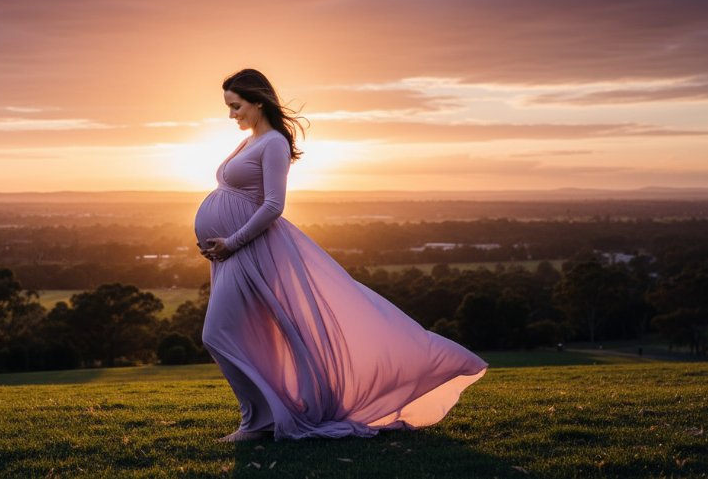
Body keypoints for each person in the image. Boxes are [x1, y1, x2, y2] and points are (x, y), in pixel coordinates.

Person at [194, 68, 488, 442]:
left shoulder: (273, 144)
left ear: (257, 101)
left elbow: (273, 205)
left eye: (235, 106)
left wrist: (232, 241)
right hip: (231, 255)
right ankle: (263, 418)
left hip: (250, 251)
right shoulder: (251, 140)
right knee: (250, 335)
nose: (231, 115)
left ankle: (255, 423)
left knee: (216, 333)